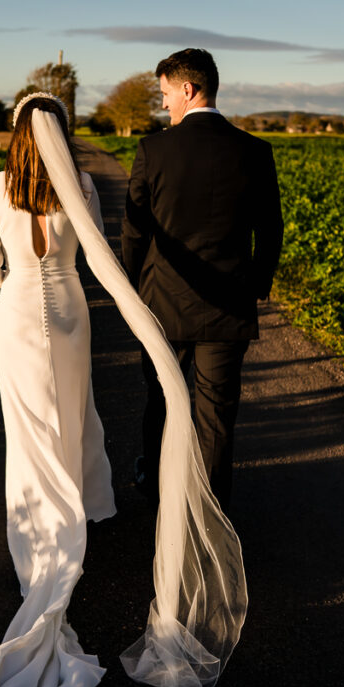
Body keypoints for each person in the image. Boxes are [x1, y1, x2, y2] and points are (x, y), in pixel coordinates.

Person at [0, 93, 248, 687]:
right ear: (61, 133)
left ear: (14, 133)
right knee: (75, 411)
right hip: (70, 315)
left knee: (28, 426)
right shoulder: (81, 183)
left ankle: (44, 516)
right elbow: (97, 261)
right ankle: (87, 500)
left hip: (18, 318)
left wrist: (16, 281)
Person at [122, 48, 284, 512]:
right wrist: (254, 284)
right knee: (217, 417)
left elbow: (135, 230)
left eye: (166, 93)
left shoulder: (153, 150)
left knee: (162, 399)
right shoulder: (255, 150)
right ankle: (211, 511)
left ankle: (156, 488)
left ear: (188, 90)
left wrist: (134, 288)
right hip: (228, 305)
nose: (164, 104)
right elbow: (270, 229)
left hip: (162, 304)